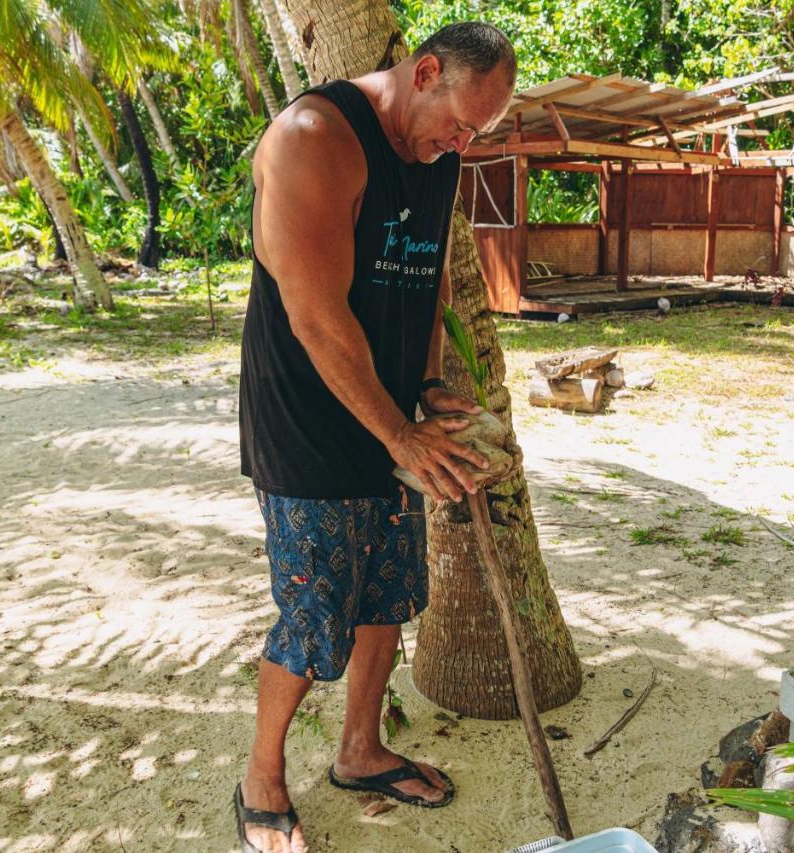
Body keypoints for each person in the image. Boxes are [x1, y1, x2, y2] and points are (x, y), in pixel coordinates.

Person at [233, 21, 517, 853]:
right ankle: (261, 776)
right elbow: (315, 318)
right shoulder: (314, 137)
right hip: (307, 419)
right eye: (460, 123)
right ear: (424, 71)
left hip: (396, 418)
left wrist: (425, 390)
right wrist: (402, 433)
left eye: (477, 134)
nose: (462, 143)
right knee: (313, 611)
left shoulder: (441, 156)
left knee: (384, 597)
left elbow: (423, 284)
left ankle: (359, 752)